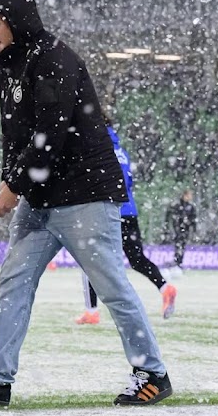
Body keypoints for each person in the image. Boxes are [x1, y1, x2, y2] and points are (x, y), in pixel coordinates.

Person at [0, 0, 172, 407]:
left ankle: (153, 373)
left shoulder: (54, 60)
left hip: (85, 193)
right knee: (14, 280)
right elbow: (18, 136)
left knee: (110, 285)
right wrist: (10, 180)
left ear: (17, 19)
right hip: (41, 196)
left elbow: (51, 133)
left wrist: (16, 184)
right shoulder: (7, 64)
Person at [76, 117, 177, 324]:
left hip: (107, 210)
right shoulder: (122, 152)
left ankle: (92, 311)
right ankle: (165, 287)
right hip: (129, 210)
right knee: (137, 258)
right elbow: (128, 181)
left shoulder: (98, 150)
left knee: (89, 259)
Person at [166, 189, 197, 274]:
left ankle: (179, 264)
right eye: (189, 195)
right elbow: (169, 216)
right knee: (178, 246)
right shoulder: (176, 205)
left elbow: (193, 219)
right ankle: (176, 263)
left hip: (185, 231)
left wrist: (193, 229)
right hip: (176, 230)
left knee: (182, 247)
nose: (191, 197)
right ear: (185, 195)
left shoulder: (191, 206)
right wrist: (169, 228)